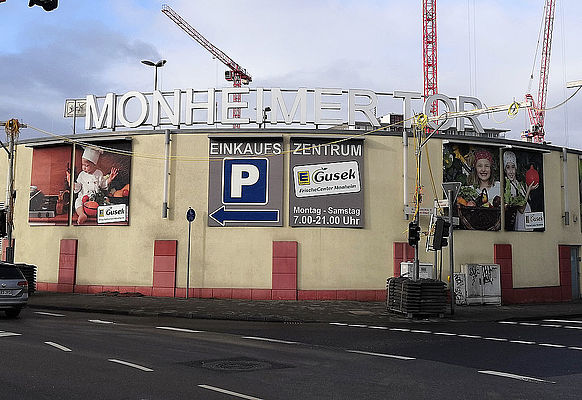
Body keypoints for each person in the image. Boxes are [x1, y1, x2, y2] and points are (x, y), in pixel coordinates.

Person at [66, 147, 118, 224]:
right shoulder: (82, 175)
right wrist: (72, 183)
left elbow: (103, 185)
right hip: (84, 198)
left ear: (94, 165)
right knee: (77, 202)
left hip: (96, 198)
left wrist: (109, 179)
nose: (84, 167)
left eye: (87, 165)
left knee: (106, 200)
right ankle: (82, 214)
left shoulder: (99, 173)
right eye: (82, 165)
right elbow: (78, 187)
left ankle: (104, 214)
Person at [503, 151, 538, 231]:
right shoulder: (509, 187)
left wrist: (528, 189)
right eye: (508, 167)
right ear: (505, 170)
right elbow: (521, 209)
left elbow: (526, 201)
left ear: (516, 168)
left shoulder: (519, 184)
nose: (511, 171)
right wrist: (528, 190)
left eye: (513, 167)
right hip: (521, 226)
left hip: (528, 224)